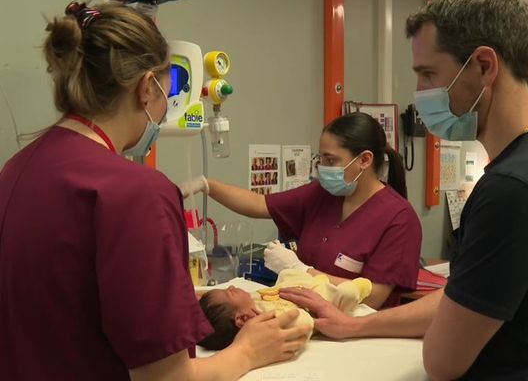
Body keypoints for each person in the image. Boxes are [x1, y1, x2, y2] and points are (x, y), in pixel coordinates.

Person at [279, 0, 528, 380]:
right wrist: (355, 325)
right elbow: (467, 297)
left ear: (484, 65)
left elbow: (443, 361)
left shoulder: (514, 188)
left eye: (429, 74)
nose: (420, 93)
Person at [0, 0, 309, 381]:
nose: (164, 113)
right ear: (146, 88)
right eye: (167, 95)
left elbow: (67, 301)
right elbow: (166, 377)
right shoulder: (135, 190)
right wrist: (248, 352)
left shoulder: (17, 168)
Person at [181, 112, 422, 309]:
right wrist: (206, 185)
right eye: (321, 158)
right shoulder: (322, 195)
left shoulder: (399, 219)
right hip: (304, 316)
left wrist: (301, 270)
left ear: (365, 160)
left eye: (330, 160)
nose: (322, 168)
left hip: (358, 331)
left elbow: (373, 297)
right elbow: (259, 204)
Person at [197, 268, 372, 350]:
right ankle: (360, 287)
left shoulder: (251, 300)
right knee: (347, 292)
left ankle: (316, 279)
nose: (232, 287)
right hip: (322, 301)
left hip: (297, 286)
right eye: (230, 293)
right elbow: (303, 324)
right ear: (242, 319)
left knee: (287, 272)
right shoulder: (270, 321)